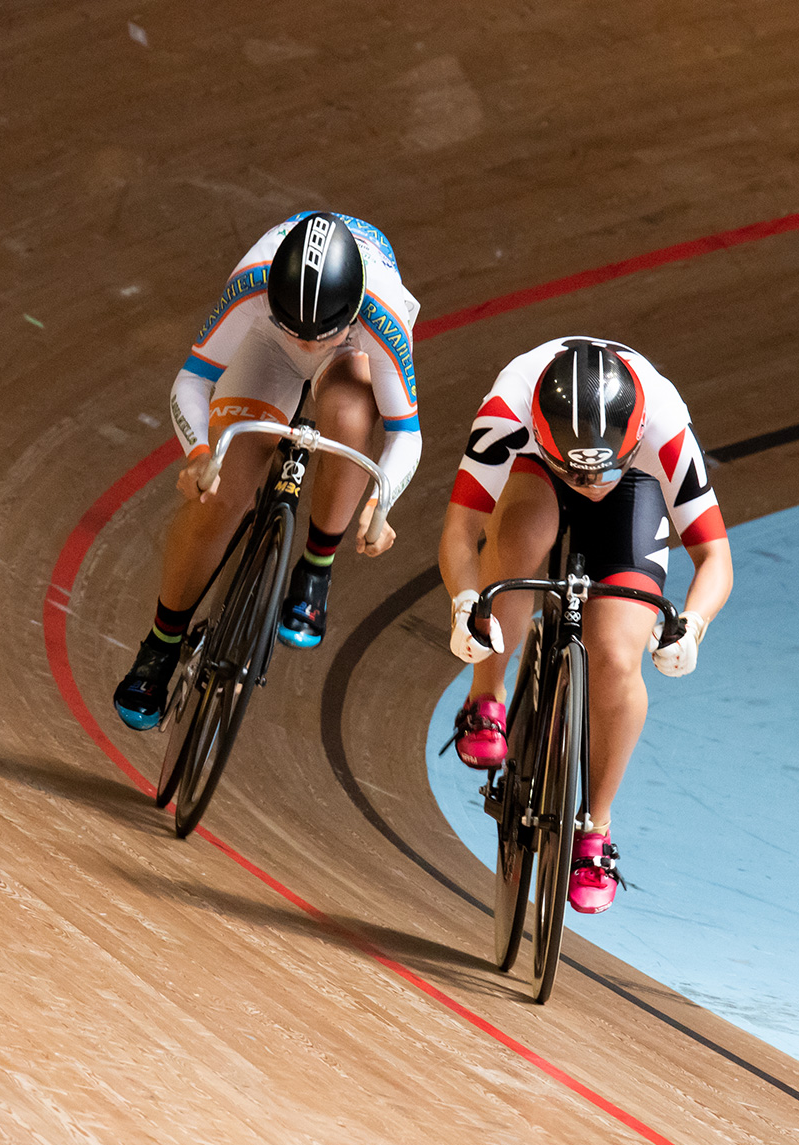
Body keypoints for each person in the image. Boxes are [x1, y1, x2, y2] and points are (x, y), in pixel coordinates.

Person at [438, 337, 733, 913]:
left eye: (601, 475)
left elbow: (716, 558)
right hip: (535, 469)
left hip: (636, 488)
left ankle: (594, 829)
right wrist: (465, 603)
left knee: (617, 657)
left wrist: (693, 625)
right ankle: (486, 698)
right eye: (581, 476)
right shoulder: (508, 409)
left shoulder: (665, 428)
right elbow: (461, 528)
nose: (591, 487)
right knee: (518, 542)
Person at [113, 212, 421, 730]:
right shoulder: (253, 282)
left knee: (348, 417)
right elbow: (192, 380)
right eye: (295, 330)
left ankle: (315, 569)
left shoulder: (382, 316)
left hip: (349, 354)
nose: (307, 344)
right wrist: (199, 455)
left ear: (352, 311)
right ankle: (160, 645)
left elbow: (405, 433)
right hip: (265, 348)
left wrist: (379, 505)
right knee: (219, 496)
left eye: (317, 334)